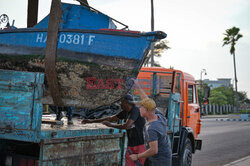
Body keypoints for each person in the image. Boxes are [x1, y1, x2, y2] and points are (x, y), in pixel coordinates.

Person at [82, 94, 146, 166]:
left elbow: (127, 125)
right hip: (131, 145)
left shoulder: (135, 110)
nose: (120, 104)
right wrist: (91, 121)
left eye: (121, 102)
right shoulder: (125, 112)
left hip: (140, 146)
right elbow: (110, 118)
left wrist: (111, 125)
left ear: (125, 102)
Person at [129, 79, 172, 166]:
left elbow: (154, 150)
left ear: (146, 110)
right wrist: (137, 85)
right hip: (165, 156)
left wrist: (137, 156)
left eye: (141, 107)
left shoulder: (151, 129)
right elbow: (146, 99)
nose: (139, 109)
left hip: (159, 161)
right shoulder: (159, 116)